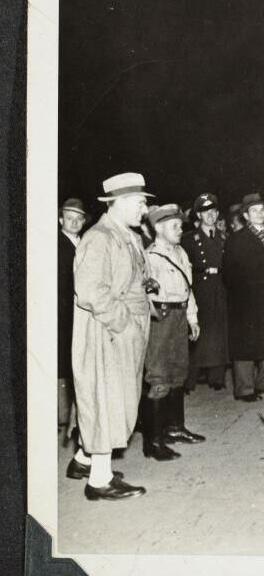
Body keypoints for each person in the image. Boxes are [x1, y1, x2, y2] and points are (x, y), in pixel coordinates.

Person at [68, 172, 153, 500]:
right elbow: (90, 290)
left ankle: (84, 461)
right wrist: (125, 324)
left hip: (123, 333)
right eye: (139, 202)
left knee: (115, 401)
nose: (143, 209)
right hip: (107, 332)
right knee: (104, 400)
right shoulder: (99, 237)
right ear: (116, 203)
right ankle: (98, 482)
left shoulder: (127, 235)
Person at [141, 205, 204, 461]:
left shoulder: (180, 252)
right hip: (161, 318)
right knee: (158, 376)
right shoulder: (149, 257)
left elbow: (188, 288)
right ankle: (153, 441)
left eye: (180, 225)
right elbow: (143, 293)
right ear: (158, 228)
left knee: (178, 371)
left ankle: (175, 428)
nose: (180, 229)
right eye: (175, 226)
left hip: (179, 315)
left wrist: (192, 317)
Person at [222, 193, 264, 402]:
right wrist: (261, 278)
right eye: (254, 211)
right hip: (245, 301)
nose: (260, 214)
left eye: (262, 210)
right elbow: (230, 274)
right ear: (246, 216)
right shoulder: (236, 240)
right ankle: (245, 389)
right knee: (245, 344)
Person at [181, 193, 230, 392]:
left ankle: (216, 377)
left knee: (219, 330)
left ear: (217, 213)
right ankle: (190, 378)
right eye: (204, 212)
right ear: (198, 216)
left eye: (213, 211)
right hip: (200, 288)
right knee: (198, 331)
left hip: (220, 286)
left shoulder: (224, 237)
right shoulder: (190, 239)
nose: (210, 215)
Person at [58, 198, 89, 430]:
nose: (75, 222)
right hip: (65, 310)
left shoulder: (84, 242)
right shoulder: (58, 245)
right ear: (61, 220)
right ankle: (63, 415)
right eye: (70, 218)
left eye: (79, 219)